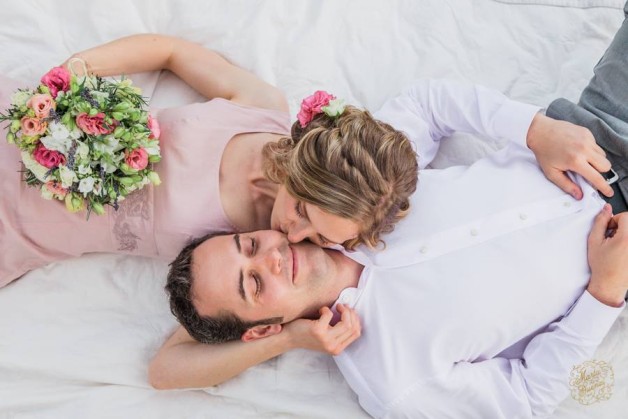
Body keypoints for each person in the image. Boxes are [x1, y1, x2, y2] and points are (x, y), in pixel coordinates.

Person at [150, 5, 628, 416]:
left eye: (250, 245)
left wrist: (532, 131)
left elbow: (426, 106)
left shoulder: (343, 195)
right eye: (253, 283)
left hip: (590, 132)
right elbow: (526, 398)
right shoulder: (394, 384)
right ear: (267, 326)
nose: (270, 258)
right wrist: (604, 293)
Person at [0, 34, 615, 289]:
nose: (290, 235)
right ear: (303, 165)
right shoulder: (260, 109)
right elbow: (169, 52)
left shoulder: (262, 255)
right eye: (302, 212)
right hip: (22, 129)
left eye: (318, 236)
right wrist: (65, 82)